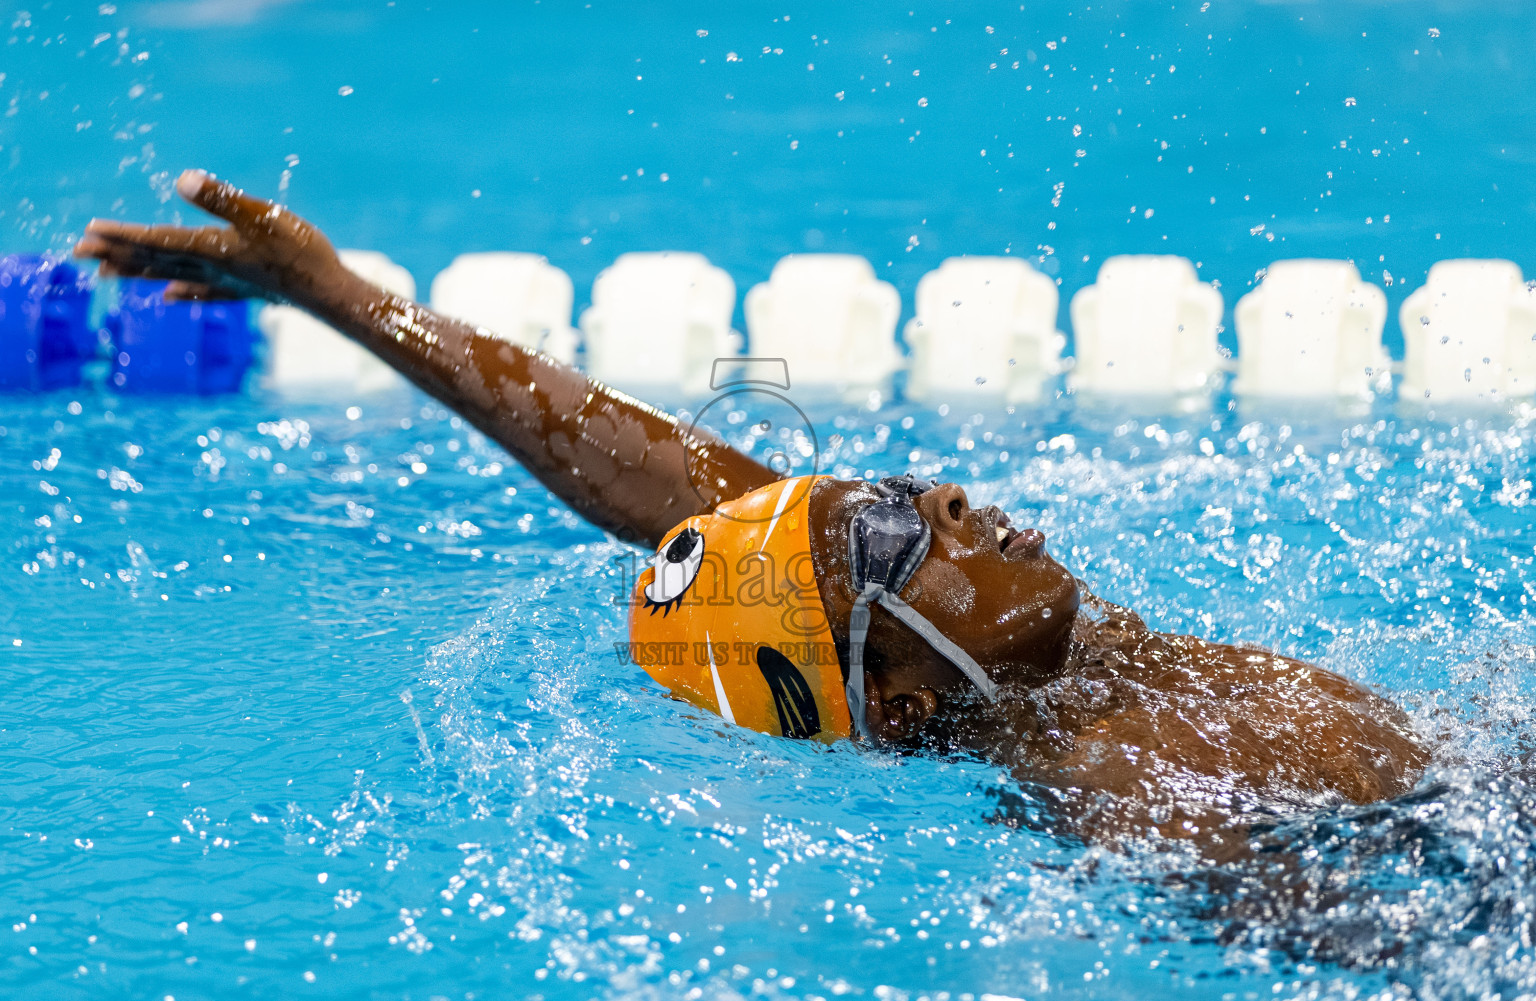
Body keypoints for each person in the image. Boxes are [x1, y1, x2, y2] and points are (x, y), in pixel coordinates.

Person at [75, 171, 1428, 855]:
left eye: (907, 489)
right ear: (894, 704)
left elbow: (666, 484)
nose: (947, 498)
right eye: (896, 533)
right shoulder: (1114, 779)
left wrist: (342, 295)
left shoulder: (1059, 665)